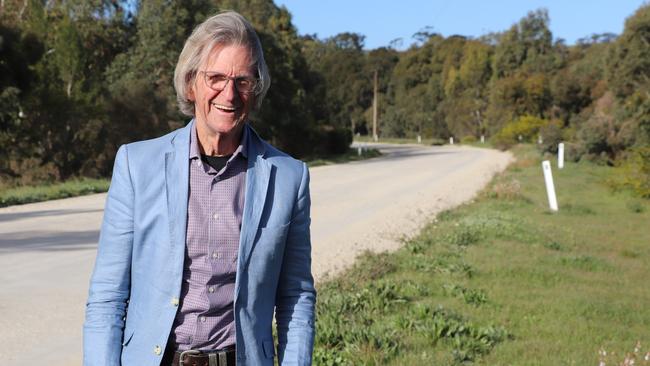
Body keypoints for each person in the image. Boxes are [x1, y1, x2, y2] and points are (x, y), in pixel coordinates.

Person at [83, 11, 316, 366]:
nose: (230, 93)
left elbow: (296, 297)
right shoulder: (136, 164)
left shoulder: (289, 177)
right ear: (192, 83)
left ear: (256, 88)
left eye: (243, 80)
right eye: (216, 78)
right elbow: (108, 296)